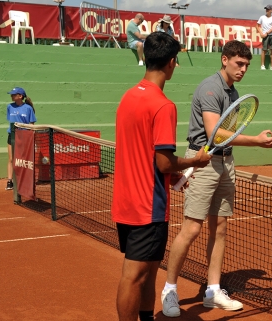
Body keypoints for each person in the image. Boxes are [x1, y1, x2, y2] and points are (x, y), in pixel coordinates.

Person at [161, 40, 272, 317]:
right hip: (203, 160)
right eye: (238, 63)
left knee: (219, 228)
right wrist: (257, 142)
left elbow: (227, 138)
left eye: (246, 65)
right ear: (224, 60)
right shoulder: (210, 88)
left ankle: (213, 290)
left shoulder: (234, 94)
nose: (243, 69)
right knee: (192, 229)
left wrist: (260, 141)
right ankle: (169, 290)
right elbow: (215, 134)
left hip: (225, 162)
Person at [111, 32, 212, 321]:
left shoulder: (128, 97)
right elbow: (165, 162)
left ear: (145, 58)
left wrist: (172, 178)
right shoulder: (163, 106)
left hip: (125, 201)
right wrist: (196, 161)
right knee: (133, 276)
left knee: (149, 271)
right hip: (148, 208)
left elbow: (143, 155)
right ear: (172, 62)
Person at [6, 87, 36, 191]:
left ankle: (23, 181)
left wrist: (29, 137)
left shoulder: (28, 108)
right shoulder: (9, 106)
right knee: (11, 159)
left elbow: (31, 124)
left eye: (14, 94)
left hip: (24, 136)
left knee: (23, 160)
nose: (12, 96)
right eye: (11, 94)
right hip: (12, 135)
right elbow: (10, 121)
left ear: (20, 96)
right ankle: (10, 181)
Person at [257, 4, 272, 70]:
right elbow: (257, 26)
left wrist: (266, 33)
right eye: (266, 9)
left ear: (271, 10)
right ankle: (262, 66)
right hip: (265, 36)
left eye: (268, 9)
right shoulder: (262, 17)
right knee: (264, 50)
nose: (266, 10)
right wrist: (261, 33)